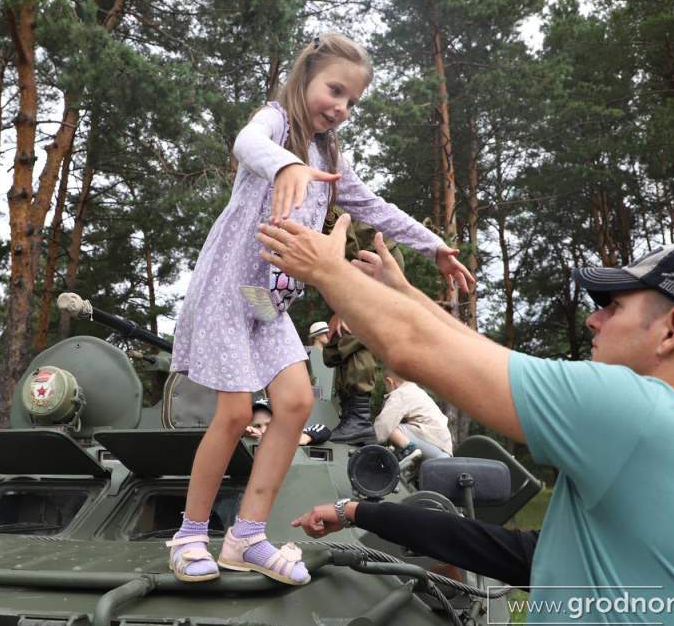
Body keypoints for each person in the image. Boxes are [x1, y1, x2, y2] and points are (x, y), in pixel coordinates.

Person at [263, 221, 674, 621]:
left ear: (672, 329)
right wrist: (359, 512)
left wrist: (327, 271)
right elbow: (531, 556)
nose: (593, 320)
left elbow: (410, 349)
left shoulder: (640, 412)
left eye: (612, 306)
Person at [168, 33, 474, 585]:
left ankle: (247, 536)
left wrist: (434, 244)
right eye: (335, 90)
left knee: (295, 403)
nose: (341, 107)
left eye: (352, 102)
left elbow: (374, 207)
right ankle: (189, 534)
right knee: (236, 414)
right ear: (306, 75)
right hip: (228, 288)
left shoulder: (331, 154)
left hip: (268, 301)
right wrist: (285, 166)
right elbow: (246, 142)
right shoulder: (276, 125)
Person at [322, 211, 407, 444]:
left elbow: (351, 251)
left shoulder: (325, 204)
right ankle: (353, 415)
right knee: (341, 342)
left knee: (353, 334)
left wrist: (344, 307)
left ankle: (359, 419)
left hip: (375, 264)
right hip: (356, 270)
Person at [375, 366, 452, 462]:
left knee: (390, 427)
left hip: (430, 442)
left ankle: (409, 449)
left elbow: (383, 424)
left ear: (390, 382)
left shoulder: (400, 393)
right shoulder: (416, 391)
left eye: (385, 385)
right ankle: (410, 464)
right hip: (443, 449)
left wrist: (370, 443)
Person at [245, 397, 332, 446]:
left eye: (269, 424)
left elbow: (322, 429)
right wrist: (243, 434)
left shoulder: (289, 435)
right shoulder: (247, 434)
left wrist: (305, 437)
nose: (263, 430)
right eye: (257, 426)